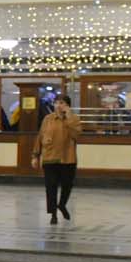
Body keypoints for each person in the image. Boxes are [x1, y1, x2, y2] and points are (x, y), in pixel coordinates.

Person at [34, 96, 82, 225]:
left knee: (67, 185)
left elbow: (76, 135)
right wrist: (35, 155)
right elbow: (40, 136)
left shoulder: (74, 119)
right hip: (50, 158)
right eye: (56, 103)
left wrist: (68, 117)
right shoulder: (48, 119)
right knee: (51, 187)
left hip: (68, 159)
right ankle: (53, 214)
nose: (58, 105)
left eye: (62, 103)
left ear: (68, 105)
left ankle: (62, 204)